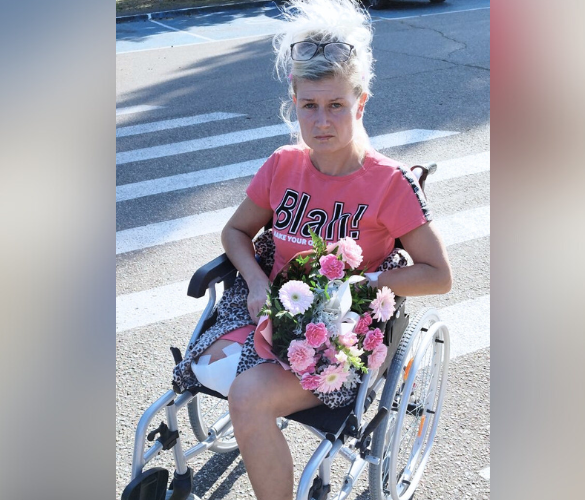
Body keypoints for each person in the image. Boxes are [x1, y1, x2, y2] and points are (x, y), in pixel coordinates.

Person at [172, 1, 452, 498]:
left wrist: (362, 283)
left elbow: (438, 274)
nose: (322, 122)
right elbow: (235, 232)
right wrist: (255, 282)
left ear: (360, 104)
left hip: (338, 335)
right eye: (309, 106)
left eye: (336, 105)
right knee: (203, 369)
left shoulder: (389, 184)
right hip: (264, 309)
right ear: (294, 102)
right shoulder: (283, 164)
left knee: (247, 397)